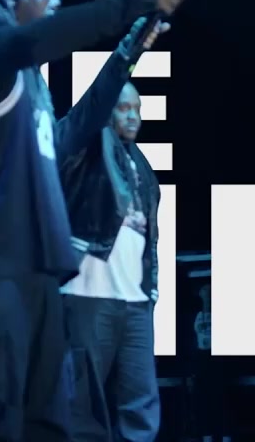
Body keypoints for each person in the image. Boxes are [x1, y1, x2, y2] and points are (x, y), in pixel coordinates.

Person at [0, 0, 192, 442]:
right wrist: (131, 0)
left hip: (37, 278)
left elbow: (75, 131)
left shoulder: (27, 82)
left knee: (48, 425)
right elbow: (31, 42)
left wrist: (128, 52)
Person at [59, 77, 166, 440]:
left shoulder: (143, 166)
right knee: (82, 403)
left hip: (134, 300)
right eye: (123, 108)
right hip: (87, 295)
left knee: (141, 402)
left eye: (138, 109)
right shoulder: (86, 149)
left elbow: (149, 235)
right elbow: (86, 117)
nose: (133, 116)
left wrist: (151, 289)